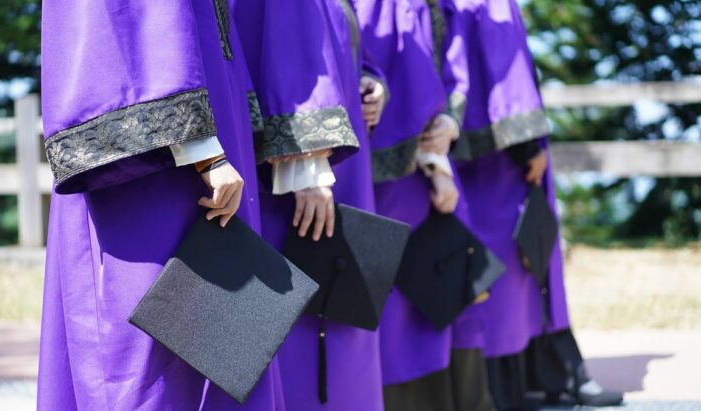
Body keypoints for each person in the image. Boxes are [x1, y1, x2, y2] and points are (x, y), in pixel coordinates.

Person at [36, 1, 287, 409]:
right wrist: (204, 151)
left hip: (209, 129)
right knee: (150, 352)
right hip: (156, 163)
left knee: (226, 346)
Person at [442, 0, 624, 408]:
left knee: (506, 272)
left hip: (464, 149)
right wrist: (527, 147)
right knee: (517, 270)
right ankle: (539, 378)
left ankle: (523, 380)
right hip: (503, 160)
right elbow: (505, 66)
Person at [232, 1, 389, 410]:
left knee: (341, 319)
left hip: (339, 163)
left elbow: (341, 39)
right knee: (296, 330)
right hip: (291, 170)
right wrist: (307, 161)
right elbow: (288, 44)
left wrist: (372, 80)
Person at [355, 0, 495, 409]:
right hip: (395, 177)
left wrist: (448, 127)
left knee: (432, 305)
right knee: (401, 311)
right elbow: (410, 83)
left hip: (416, 165)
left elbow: (447, 67)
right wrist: (435, 163)